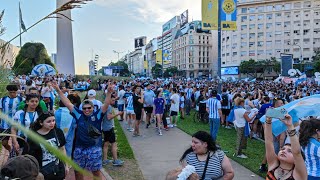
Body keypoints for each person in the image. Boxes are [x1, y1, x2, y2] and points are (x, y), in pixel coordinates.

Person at [52, 81, 113, 180]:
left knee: (96, 172)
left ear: (93, 108)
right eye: (84, 108)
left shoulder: (97, 115)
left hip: (94, 148)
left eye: (89, 108)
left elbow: (106, 104)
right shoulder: (78, 114)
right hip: (79, 149)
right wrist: (58, 90)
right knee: (78, 172)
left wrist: (109, 93)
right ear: (82, 108)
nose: (87, 110)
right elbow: (67, 103)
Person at [24, 112, 67, 180]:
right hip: (42, 172)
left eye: (53, 120)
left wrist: (65, 165)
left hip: (58, 169)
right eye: (49, 121)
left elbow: (62, 148)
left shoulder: (58, 132)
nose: (52, 123)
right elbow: (28, 155)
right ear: (41, 123)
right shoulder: (33, 136)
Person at [264, 114, 307, 180]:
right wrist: (268, 121)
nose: (283, 151)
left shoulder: (299, 174)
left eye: (289, 151)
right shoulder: (273, 164)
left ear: (296, 160)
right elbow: (268, 142)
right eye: (282, 149)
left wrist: (290, 126)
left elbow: (297, 152)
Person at [0, 85, 23, 156]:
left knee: (16, 144)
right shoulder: (3, 99)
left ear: (16, 92)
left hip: (16, 125)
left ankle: (16, 156)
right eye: (10, 92)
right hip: (4, 125)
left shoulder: (21, 99)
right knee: (4, 142)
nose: (12, 94)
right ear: (8, 92)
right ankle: (10, 150)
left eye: (14, 92)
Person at [102, 95, 124, 166]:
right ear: (109, 100)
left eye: (114, 100)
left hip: (104, 127)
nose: (114, 101)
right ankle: (115, 160)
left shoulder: (105, 106)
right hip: (109, 128)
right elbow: (109, 117)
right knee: (114, 144)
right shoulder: (109, 107)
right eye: (113, 100)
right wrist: (118, 113)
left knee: (106, 144)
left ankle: (105, 160)